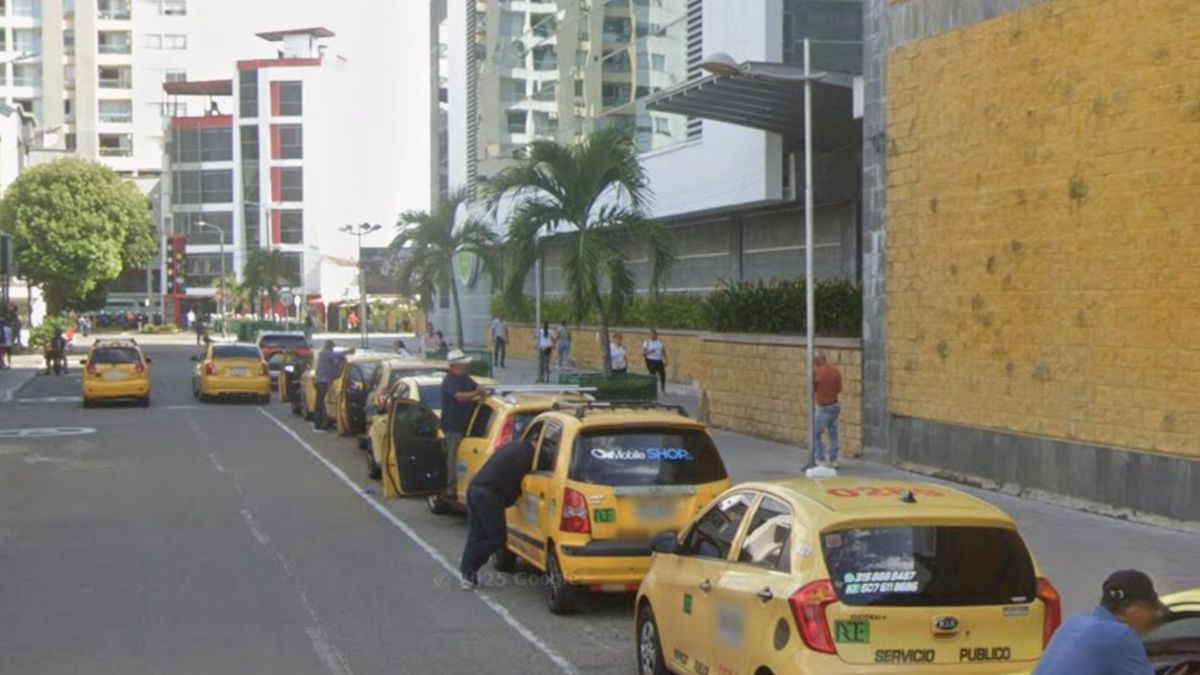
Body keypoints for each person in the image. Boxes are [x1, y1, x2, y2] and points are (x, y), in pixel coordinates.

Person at [1034, 570, 1164, 675]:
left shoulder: (1073, 622)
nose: (1152, 617)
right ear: (1133, 609)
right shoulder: (1120, 636)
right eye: (1150, 610)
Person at [458, 437, 536, 589]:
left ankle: (468, 574)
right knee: (498, 538)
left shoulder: (514, 445)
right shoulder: (529, 456)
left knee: (476, 534)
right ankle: (469, 562)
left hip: (475, 488)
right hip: (489, 496)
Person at [440, 350, 483, 501]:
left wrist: (482, 391)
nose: (465, 367)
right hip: (453, 427)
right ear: (454, 366)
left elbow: (477, 388)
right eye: (462, 365)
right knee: (453, 457)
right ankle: (451, 489)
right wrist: (477, 393)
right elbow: (460, 397)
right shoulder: (449, 381)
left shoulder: (465, 378)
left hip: (467, 426)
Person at [813, 350, 844, 468]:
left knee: (815, 433)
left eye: (815, 361)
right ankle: (834, 460)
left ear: (817, 361)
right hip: (835, 406)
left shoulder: (818, 374)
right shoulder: (835, 371)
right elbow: (839, 389)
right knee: (833, 433)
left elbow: (814, 389)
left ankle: (820, 458)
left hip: (823, 407)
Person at [313, 340, 339, 432]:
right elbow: (337, 355)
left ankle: (321, 423)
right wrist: (348, 352)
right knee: (321, 404)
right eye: (332, 347)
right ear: (328, 346)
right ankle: (320, 424)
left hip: (321, 382)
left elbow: (334, 370)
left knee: (321, 403)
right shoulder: (325, 354)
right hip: (322, 382)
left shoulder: (325, 356)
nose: (332, 349)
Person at [641, 329, 668, 393]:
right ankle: (652, 389)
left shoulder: (659, 342)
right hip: (650, 360)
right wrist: (650, 351)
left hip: (659, 360)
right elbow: (643, 353)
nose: (651, 336)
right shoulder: (647, 342)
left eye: (653, 334)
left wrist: (666, 360)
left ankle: (663, 388)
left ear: (656, 335)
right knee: (652, 376)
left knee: (663, 375)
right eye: (650, 335)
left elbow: (663, 351)